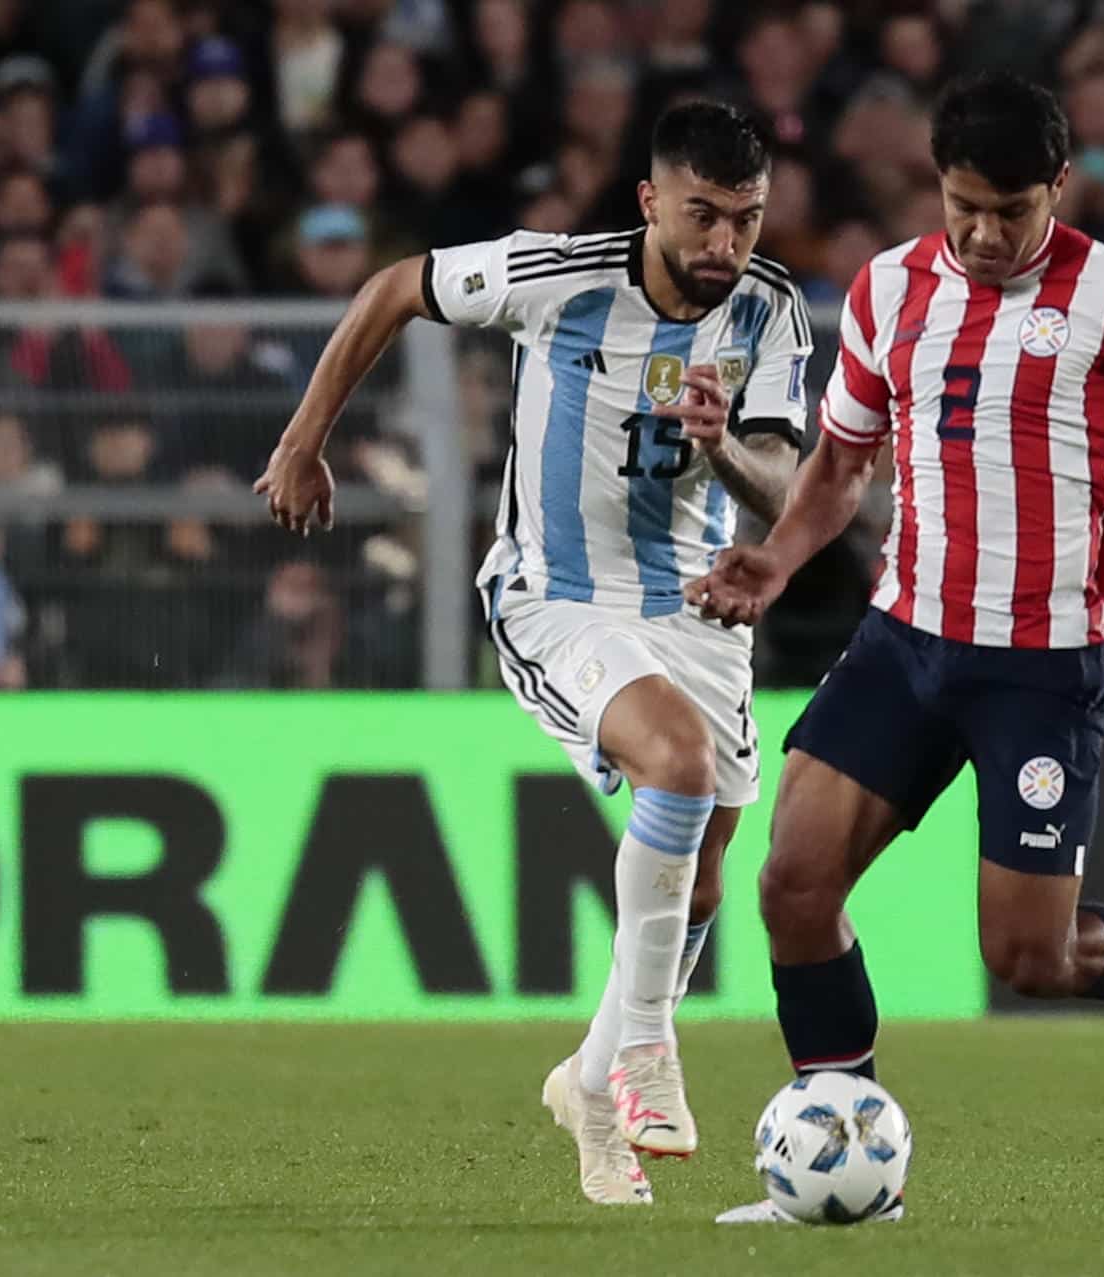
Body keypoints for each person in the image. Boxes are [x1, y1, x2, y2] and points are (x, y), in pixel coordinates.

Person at [694, 74, 1104, 1225]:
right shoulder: (888, 289)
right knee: (791, 882)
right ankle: (842, 1162)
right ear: (937, 184)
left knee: (1027, 956)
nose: (983, 233)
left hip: (1043, 663)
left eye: (1011, 210)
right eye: (963, 204)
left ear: (1058, 190)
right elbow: (841, 463)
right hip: (906, 638)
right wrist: (776, 562)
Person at [254, 102, 809, 1205]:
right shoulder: (557, 274)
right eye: (702, 216)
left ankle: (591, 1085)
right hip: (556, 594)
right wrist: (302, 440)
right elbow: (392, 289)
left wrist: (722, 448)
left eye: (744, 220)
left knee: (699, 885)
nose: (724, 245)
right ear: (651, 201)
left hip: (696, 606)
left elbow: (784, 484)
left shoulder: (771, 309)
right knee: (680, 764)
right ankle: (649, 1051)